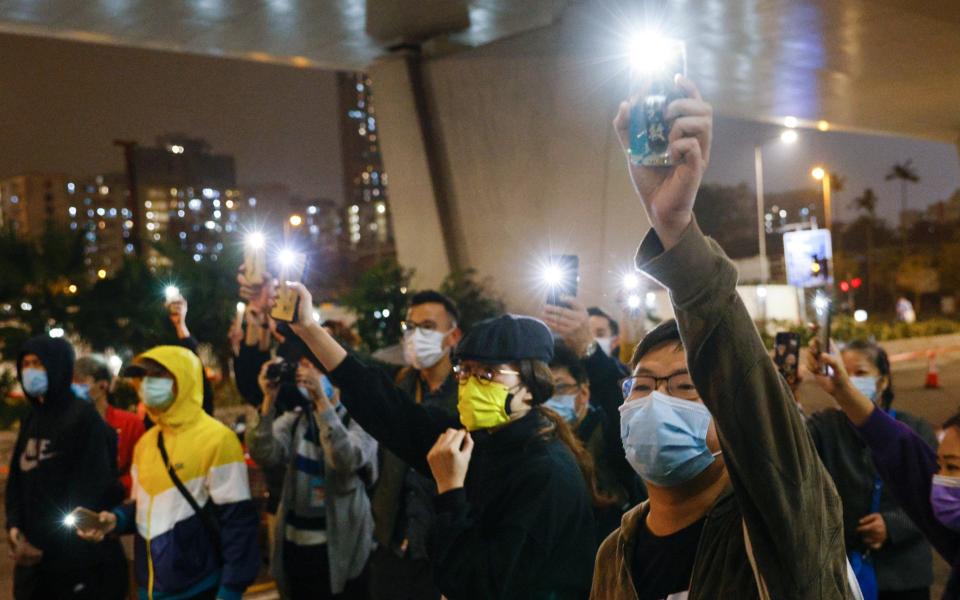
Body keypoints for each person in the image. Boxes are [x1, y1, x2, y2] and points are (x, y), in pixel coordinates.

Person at [591, 76, 856, 599]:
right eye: (641, 386)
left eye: (686, 388)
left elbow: (750, 392)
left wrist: (675, 227)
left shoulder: (779, 519)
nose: (655, 402)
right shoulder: (613, 553)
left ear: (725, 415)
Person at [280, 285, 599, 599]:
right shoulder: (480, 440)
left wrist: (450, 493)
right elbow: (385, 406)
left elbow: (478, 585)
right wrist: (308, 329)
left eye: (487, 375)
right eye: (465, 371)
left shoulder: (545, 471)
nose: (470, 384)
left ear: (532, 386)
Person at [76, 345, 259, 600]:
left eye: (160, 376)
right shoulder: (147, 442)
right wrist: (115, 519)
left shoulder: (217, 439)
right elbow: (145, 506)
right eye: (145, 376)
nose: (148, 384)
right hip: (150, 587)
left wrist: (231, 589)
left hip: (200, 585)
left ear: (183, 379)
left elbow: (238, 521)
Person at [806, 340, 960, 599]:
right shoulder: (826, 427)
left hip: (904, 578)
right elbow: (900, 451)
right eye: (940, 466)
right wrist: (841, 391)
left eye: (953, 466)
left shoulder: (917, 426)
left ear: (884, 380)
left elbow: (906, 459)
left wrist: (892, 525)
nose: (940, 480)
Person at [6, 336, 127, 600]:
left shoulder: (83, 418)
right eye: (25, 364)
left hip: (74, 564)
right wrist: (14, 525)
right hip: (32, 565)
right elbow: (17, 477)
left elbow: (91, 488)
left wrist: (46, 544)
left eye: (37, 363)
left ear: (57, 366)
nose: (29, 371)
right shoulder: (33, 417)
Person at [248, 355, 377, 600]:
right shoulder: (297, 419)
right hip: (296, 548)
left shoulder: (359, 420)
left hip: (342, 550)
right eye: (303, 368)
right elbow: (263, 452)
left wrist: (322, 403)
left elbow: (346, 460)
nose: (308, 375)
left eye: (316, 368)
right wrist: (268, 399)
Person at [364, 290, 462, 600]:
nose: (416, 335)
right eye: (410, 327)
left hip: (440, 554)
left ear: (452, 336)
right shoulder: (399, 387)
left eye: (428, 327)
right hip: (393, 548)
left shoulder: (467, 397)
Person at [547, 340, 641, 543]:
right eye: (544, 391)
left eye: (559, 388)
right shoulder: (542, 443)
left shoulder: (609, 430)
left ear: (583, 393)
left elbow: (614, 392)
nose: (549, 400)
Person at [74, 354, 147, 496]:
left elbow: (142, 469)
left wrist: (116, 488)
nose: (74, 388)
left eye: (81, 382)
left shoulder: (129, 423)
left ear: (103, 385)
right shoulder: (68, 423)